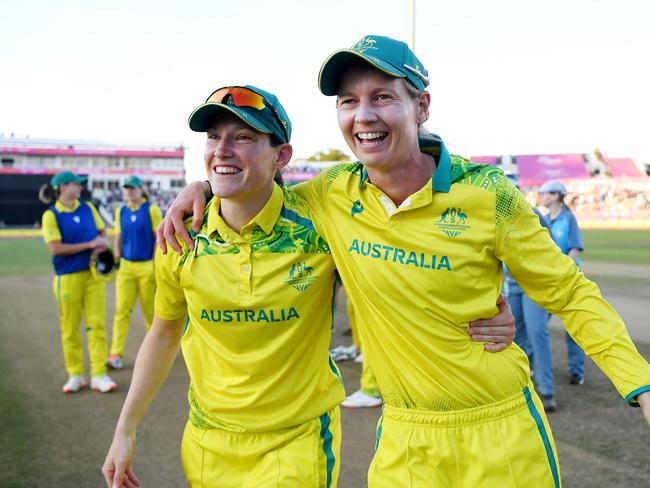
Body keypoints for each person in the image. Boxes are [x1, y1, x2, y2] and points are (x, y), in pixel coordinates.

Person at [161, 35, 650, 487]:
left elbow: (568, 291)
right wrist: (202, 187)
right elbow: (251, 185)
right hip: (404, 438)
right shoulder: (331, 194)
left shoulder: (489, 195)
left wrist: (641, 384)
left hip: (499, 428)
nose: (364, 115)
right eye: (349, 101)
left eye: (382, 97)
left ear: (421, 107)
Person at [104, 85, 515, 488]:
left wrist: (480, 307)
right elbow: (163, 332)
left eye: (243, 137)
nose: (222, 149)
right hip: (207, 441)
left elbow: (403, 251)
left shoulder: (320, 224)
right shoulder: (180, 237)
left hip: (296, 442)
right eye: (214, 137)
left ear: (281, 155)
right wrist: (125, 430)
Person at [39, 171, 117, 394]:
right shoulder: (51, 215)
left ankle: (99, 375)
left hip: (93, 277)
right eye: (76, 184)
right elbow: (55, 248)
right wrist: (90, 244)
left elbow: (102, 232)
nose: (81, 187)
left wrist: (101, 242)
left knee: (97, 326)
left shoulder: (88, 207)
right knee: (70, 328)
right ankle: (75, 374)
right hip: (67, 279)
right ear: (63, 187)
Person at [504, 207, 556, 412]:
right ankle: (522, 386)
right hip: (511, 285)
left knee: (538, 333)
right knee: (515, 339)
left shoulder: (530, 211)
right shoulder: (485, 208)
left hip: (534, 285)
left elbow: (550, 244)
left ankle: (547, 391)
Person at [107, 175, 162, 370]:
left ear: (141, 189)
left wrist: (156, 264)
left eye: (133, 188)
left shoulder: (151, 209)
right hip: (126, 267)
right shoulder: (120, 211)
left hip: (147, 266)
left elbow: (159, 237)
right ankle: (115, 353)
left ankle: (154, 355)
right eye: (126, 188)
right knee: (122, 311)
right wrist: (117, 259)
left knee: (150, 313)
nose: (129, 191)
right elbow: (118, 237)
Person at [539, 180, 586, 385]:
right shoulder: (544, 218)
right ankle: (531, 367)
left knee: (573, 327)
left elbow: (575, 249)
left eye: (544, 192)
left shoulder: (568, 219)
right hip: (547, 281)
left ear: (556, 195)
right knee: (537, 326)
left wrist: (563, 270)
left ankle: (578, 371)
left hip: (565, 280)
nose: (541, 195)